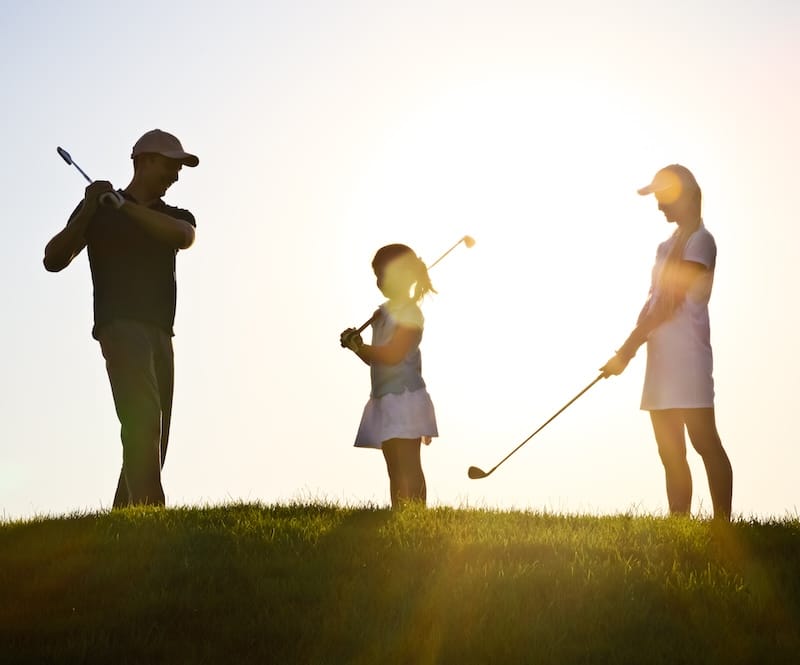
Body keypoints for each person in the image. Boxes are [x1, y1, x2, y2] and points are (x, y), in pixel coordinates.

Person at [43, 129, 199, 508]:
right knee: (143, 418)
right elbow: (53, 258)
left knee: (155, 432)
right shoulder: (98, 210)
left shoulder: (173, 214)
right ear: (144, 161)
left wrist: (125, 208)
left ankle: (125, 518)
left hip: (161, 332)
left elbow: (184, 236)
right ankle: (149, 514)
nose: (176, 175)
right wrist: (88, 209)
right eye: (170, 165)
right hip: (119, 325)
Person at [601, 164, 733, 521]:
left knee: (704, 443)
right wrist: (628, 348)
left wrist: (627, 350)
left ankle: (723, 525)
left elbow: (671, 300)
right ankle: (679, 525)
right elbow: (652, 302)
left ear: (682, 196)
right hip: (660, 362)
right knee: (670, 452)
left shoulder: (701, 241)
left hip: (688, 362)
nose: (659, 205)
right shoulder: (664, 247)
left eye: (663, 197)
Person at [340, 244, 439, 508]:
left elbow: (393, 354)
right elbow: (375, 359)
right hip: (385, 398)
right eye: (377, 276)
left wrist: (360, 347)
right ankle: (400, 514)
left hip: (405, 398)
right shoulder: (383, 314)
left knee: (408, 463)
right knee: (394, 465)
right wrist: (358, 347)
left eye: (383, 274)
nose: (379, 281)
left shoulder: (410, 314)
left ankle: (416, 515)